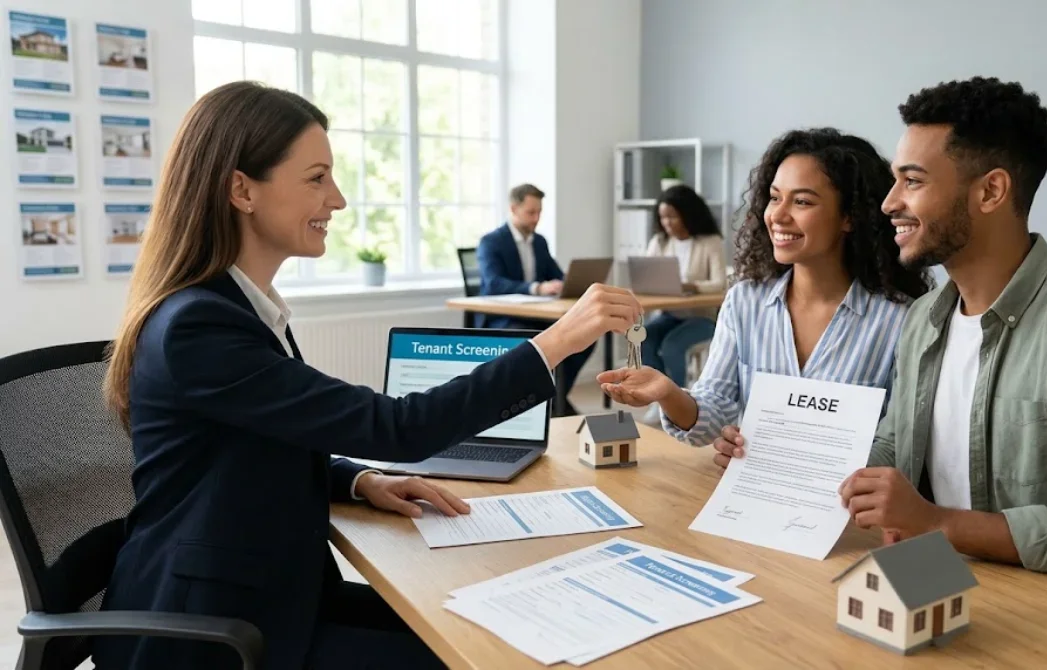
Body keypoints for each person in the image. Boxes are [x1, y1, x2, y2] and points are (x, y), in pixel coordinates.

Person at [93, 82, 641, 670]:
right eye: (316, 177)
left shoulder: (235, 307)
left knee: (473, 635)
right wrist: (554, 342)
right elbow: (399, 428)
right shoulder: (198, 326)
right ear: (240, 189)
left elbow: (256, 443)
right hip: (211, 632)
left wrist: (358, 483)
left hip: (270, 592)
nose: (338, 200)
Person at [836, 77, 1047, 605]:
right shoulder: (924, 318)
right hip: (957, 590)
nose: (888, 203)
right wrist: (778, 454)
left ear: (991, 191)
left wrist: (936, 523)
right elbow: (894, 449)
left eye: (912, 181)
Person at [599, 128, 933, 456]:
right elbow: (715, 410)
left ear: (849, 217)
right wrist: (669, 393)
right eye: (775, 198)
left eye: (801, 201)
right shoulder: (745, 301)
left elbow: (902, 443)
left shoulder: (900, 318)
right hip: (754, 498)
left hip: (850, 506)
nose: (777, 215)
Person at [476, 184, 594, 415]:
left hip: (537, 315)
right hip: (503, 319)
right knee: (533, 339)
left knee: (586, 333)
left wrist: (567, 283)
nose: (536, 218)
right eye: (531, 213)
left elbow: (556, 274)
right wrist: (536, 288)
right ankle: (548, 403)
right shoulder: (491, 242)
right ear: (513, 208)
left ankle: (552, 399)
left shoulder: (539, 242)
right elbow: (493, 283)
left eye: (539, 212)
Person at [639, 184, 726, 390]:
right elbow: (647, 276)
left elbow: (720, 284)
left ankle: (674, 396)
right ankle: (658, 393)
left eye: (672, 216)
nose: (667, 223)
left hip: (703, 317)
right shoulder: (659, 242)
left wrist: (691, 286)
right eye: (663, 217)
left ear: (688, 215)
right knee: (643, 338)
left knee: (671, 345)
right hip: (670, 315)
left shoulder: (711, 242)